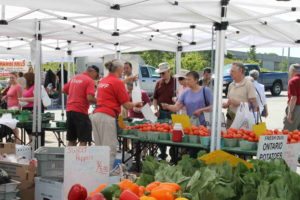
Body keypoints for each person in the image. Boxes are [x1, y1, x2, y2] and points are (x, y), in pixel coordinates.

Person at [91, 60, 143, 169]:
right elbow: (127, 105)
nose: (124, 70)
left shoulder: (103, 80)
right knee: (109, 149)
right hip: (107, 116)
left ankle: (98, 173)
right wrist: (136, 104)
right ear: (119, 69)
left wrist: (127, 80)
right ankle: (106, 176)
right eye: (122, 68)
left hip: (96, 115)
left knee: (99, 149)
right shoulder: (117, 82)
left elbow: (114, 84)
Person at [63, 65, 99, 146]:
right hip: (80, 111)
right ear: (93, 72)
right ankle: (80, 158)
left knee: (71, 139)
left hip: (69, 110)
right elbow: (90, 98)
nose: (95, 78)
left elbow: (64, 90)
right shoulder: (89, 81)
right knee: (83, 140)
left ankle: (70, 159)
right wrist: (100, 102)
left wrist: (74, 94)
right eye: (96, 75)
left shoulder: (75, 77)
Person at [223, 62, 257, 128]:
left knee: (239, 138)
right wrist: (226, 104)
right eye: (230, 71)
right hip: (230, 118)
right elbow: (230, 101)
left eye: (233, 71)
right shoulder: (231, 85)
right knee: (228, 137)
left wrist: (239, 103)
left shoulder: (248, 84)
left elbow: (254, 106)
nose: (230, 73)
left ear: (241, 71)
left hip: (243, 121)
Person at [153, 62, 176, 160]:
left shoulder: (176, 82)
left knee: (173, 134)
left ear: (169, 71)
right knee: (161, 134)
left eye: (163, 73)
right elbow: (155, 98)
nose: (161, 75)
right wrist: (155, 108)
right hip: (161, 113)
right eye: (160, 74)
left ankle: (173, 155)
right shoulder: (158, 83)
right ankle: (162, 154)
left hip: (173, 112)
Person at [1, 72, 22, 143]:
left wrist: (19, 110)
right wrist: (5, 97)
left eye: (12, 77)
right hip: (9, 108)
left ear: (16, 78)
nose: (11, 79)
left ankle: (17, 139)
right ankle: (16, 139)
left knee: (13, 126)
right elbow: (9, 94)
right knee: (12, 126)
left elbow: (20, 99)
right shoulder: (12, 85)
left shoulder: (18, 86)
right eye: (10, 77)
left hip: (15, 108)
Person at [283, 64, 300, 131]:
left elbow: (294, 98)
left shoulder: (293, 81)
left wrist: (290, 113)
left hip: (296, 108)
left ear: (293, 71)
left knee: (287, 132)